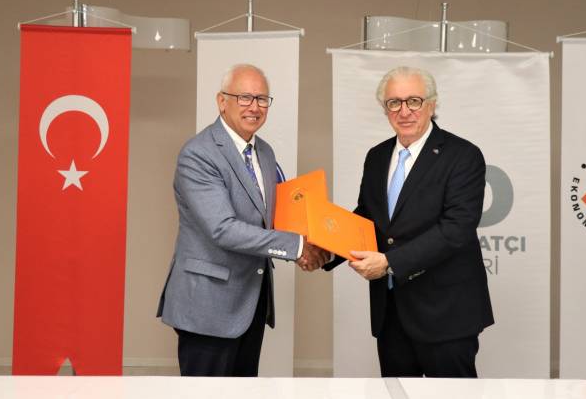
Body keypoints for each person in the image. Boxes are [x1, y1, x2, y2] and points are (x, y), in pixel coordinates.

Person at [157, 64, 329, 377]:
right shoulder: (199, 153)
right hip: (208, 305)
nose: (254, 107)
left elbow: (271, 219)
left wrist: (321, 241)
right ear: (222, 101)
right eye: (245, 97)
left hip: (251, 301)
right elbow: (223, 229)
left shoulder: (265, 152)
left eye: (262, 99)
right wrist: (297, 246)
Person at [326, 66, 494, 378]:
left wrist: (389, 262)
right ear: (385, 108)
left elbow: (456, 228)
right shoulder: (377, 156)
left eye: (414, 101)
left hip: (446, 314)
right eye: (394, 103)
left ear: (432, 104)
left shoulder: (463, 155)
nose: (404, 111)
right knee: (396, 395)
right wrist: (325, 249)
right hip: (391, 313)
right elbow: (366, 217)